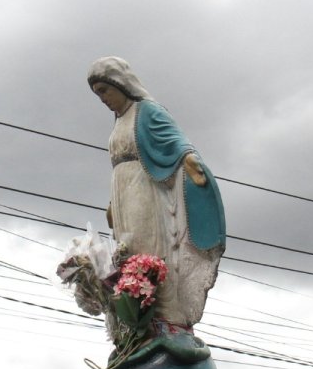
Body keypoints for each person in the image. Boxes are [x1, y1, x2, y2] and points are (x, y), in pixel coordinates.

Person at [87, 56, 225, 336]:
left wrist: (189, 160)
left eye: (105, 90)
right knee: (128, 252)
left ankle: (164, 318)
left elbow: (173, 139)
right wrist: (113, 203)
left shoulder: (146, 110)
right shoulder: (120, 121)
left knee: (147, 249)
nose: (102, 98)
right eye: (97, 93)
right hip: (123, 191)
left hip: (143, 190)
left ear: (120, 84)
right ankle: (138, 322)